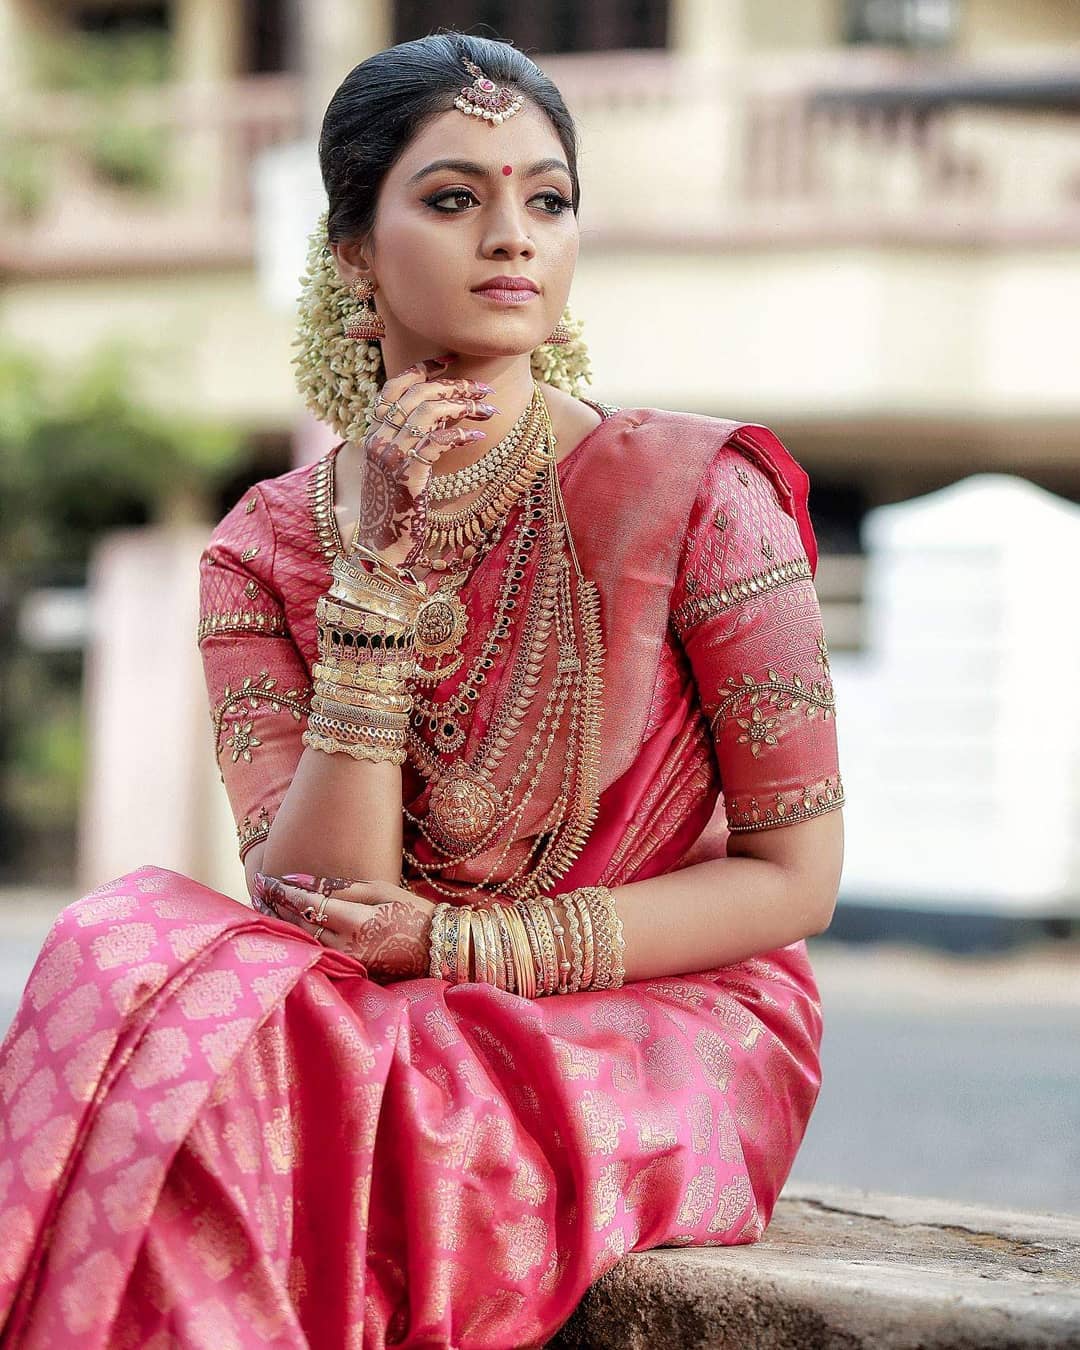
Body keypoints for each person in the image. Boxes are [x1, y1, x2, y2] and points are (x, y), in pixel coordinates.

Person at [0, 31, 845, 1349]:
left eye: (548, 199)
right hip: (382, 994)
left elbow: (797, 878)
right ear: (353, 252)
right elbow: (319, 903)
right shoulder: (265, 549)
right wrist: (374, 587)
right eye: (455, 198)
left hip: (664, 1015)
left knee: (311, 1070)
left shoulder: (701, 499)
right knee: (122, 955)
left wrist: (460, 947)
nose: (514, 236)